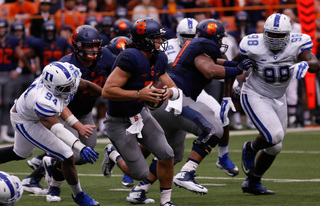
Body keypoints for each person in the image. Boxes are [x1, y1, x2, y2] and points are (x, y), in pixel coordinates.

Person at [125, 19, 255, 203]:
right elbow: (209, 70)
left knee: (172, 154)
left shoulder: (195, 45)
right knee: (215, 128)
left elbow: (216, 63)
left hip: (164, 103)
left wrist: (237, 66)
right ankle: (187, 173)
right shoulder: (205, 46)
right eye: (219, 39)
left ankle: (140, 190)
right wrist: (238, 70)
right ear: (214, 39)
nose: (220, 43)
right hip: (176, 99)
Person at [22, 25, 116, 202]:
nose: (93, 50)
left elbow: (119, 72)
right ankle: (53, 187)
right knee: (71, 154)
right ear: (77, 46)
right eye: (88, 46)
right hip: (65, 112)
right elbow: (59, 99)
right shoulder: (67, 65)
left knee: (84, 154)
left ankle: (43, 165)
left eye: (96, 45)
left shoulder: (106, 56)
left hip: (86, 111)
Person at [234, 13, 320, 195]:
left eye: (280, 35)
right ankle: (250, 148)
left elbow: (314, 63)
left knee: (275, 146)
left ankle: (252, 182)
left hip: (279, 97)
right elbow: (231, 64)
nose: (275, 39)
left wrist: (306, 64)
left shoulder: (298, 42)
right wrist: (232, 82)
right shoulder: (252, 44)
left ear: (288, 34)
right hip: (255, 93)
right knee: (273, 136)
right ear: (264, 32)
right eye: (271, 34)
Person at [0, 61, 101, 205]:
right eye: (66, 87)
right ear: (52, 87)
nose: (71, 88)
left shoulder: (64, 78)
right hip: (25, 121)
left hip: (31, 113)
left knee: (20, 153)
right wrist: (80, 146)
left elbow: (85, 85)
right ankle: (78, 195)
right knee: (67, 154)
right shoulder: (42, 99)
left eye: (70, 84)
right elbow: (57, 128)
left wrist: (109, 94)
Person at [101, 17, 176, 206]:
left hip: (139, 114)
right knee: (139, 174)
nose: (161, 41)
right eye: (156, 38)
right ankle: (113, 154)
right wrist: (138, 93)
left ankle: (166, 201)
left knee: (167, 153)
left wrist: (169, 92)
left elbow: (172, 86)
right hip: (118, 120)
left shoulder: (158, 57)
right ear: (144, 40)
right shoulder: (130, 57)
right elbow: (107, 91)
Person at [0, 17, 24, 143]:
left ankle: (4, 132)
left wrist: (19, 70)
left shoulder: (13, 41)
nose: (1, 30)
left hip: (9, 75)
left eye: (3, 27)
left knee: (7, 104)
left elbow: (22, 56)